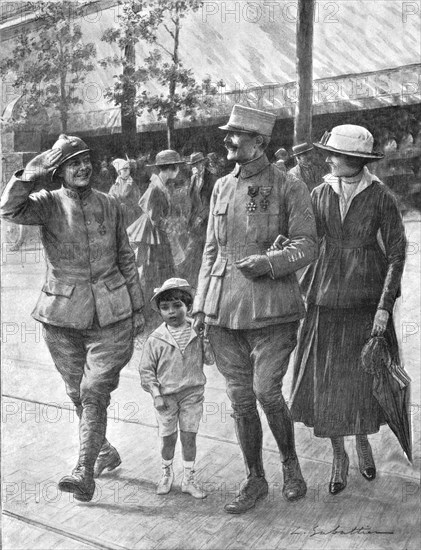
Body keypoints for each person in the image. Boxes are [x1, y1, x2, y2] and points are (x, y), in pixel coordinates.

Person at [0, 134, 145, 502]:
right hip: (61, 316)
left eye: (85, 160)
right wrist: (31, 172)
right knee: (75, 391)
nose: (82, 167)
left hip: (112, 315)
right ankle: (104, 450)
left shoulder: (111, 204)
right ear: (59, 170)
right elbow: (8, 209)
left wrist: (139, 307)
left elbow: (126, 257)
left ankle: (83, 469)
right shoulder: (46, 203)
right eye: (72, 163)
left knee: (94, 390)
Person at [193, 104, 318, 514]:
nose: (227, 140)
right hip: (224, 311)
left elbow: (307, 244)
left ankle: (291, 465)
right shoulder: (221, 186)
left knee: (267, 391)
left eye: (236, 134)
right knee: (240, 400)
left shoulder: (288, 185)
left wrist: (269, 263)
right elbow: (211, 249)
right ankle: (254, 479)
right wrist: (199, 306)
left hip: (273, 310)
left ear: (260, 141)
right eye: (227, 133)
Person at [290, 124, 407, 495]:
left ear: (355, 160)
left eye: (335, 155)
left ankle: (362, 442)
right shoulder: (321, 191)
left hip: (365, 299)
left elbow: (396, 254)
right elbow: (307, 237)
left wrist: (384, 307)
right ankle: (338, 455)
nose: (329, 159)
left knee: (362, 379)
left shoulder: (381, 196)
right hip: (324, 297)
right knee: (328, 381)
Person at [139, 278, 207, 499]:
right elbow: (146, 371)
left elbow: (212, 360)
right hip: (166, 397)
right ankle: (166, 473)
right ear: (159, 311)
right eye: (165, 307)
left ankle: (188, 479)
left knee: (189, 437)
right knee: (168, 439)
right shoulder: (156, 339)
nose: (171, 312)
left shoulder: (196, 333)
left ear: (187, 306)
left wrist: (207, 339)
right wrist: (156, 394)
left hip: (192, 394)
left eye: (177, 305)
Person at [127, 150, 184, 325]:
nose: (178, 171)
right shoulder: (156, 188)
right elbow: (155, 218)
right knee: (154, 271)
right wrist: (171, 227)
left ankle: (160, 310)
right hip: (155, 237)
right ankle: (149, 312)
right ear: (171, 169)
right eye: (177, 167)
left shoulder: (161, 185)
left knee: (162, 270)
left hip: (159, 235)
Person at [180, 152, 217, 287]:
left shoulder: (212, 179)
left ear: (203, 163)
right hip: (194, 221)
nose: (195, 167)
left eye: (197, 164)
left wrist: (202, 217)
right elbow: (191, 201)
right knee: (194, 253)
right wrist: (189, 217)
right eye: (193, 165)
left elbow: (213, 203)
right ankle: (194, 281)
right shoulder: (193, 179)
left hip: (207, 222)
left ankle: (205, 282)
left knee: (205, 251)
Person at [109, 158, 141, 227]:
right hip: (118, 218)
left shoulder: (133, 185)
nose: (128, 172)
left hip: (131, 218)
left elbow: (137, 203)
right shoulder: (114, 186)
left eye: (129, 169)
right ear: (118, 172)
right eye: (125, 170)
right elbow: (110, 201)